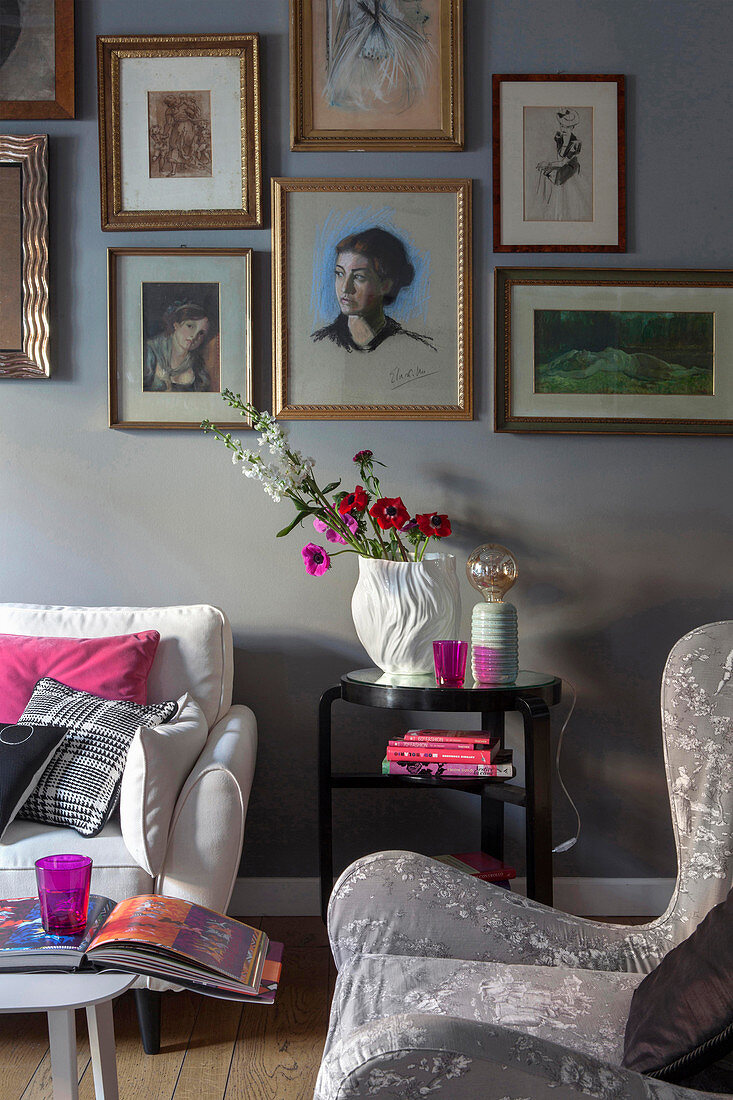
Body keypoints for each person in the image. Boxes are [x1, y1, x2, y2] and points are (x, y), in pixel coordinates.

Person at [312, 227, 435, 353]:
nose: (345, 288)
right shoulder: (319, 344)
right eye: (339, 274)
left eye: (359, 277)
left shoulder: (415, 349)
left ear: (386, 285)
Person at [143, 301, 214, 392]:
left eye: (201, 333)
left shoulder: (198, 366)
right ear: (176, 325)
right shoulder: (150, 351)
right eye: (190, 326)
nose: (194, 336)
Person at [535, 107, 591, 221]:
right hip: (560, 170)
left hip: (570, 172)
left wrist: (548, 164)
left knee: (570, 202)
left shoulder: (575, 143)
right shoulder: (559, 137)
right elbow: (557, 157)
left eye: (567, 126)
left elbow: (562, 162)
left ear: (573, 127)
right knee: (547, 179)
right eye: (562, 125)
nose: (564, 129)